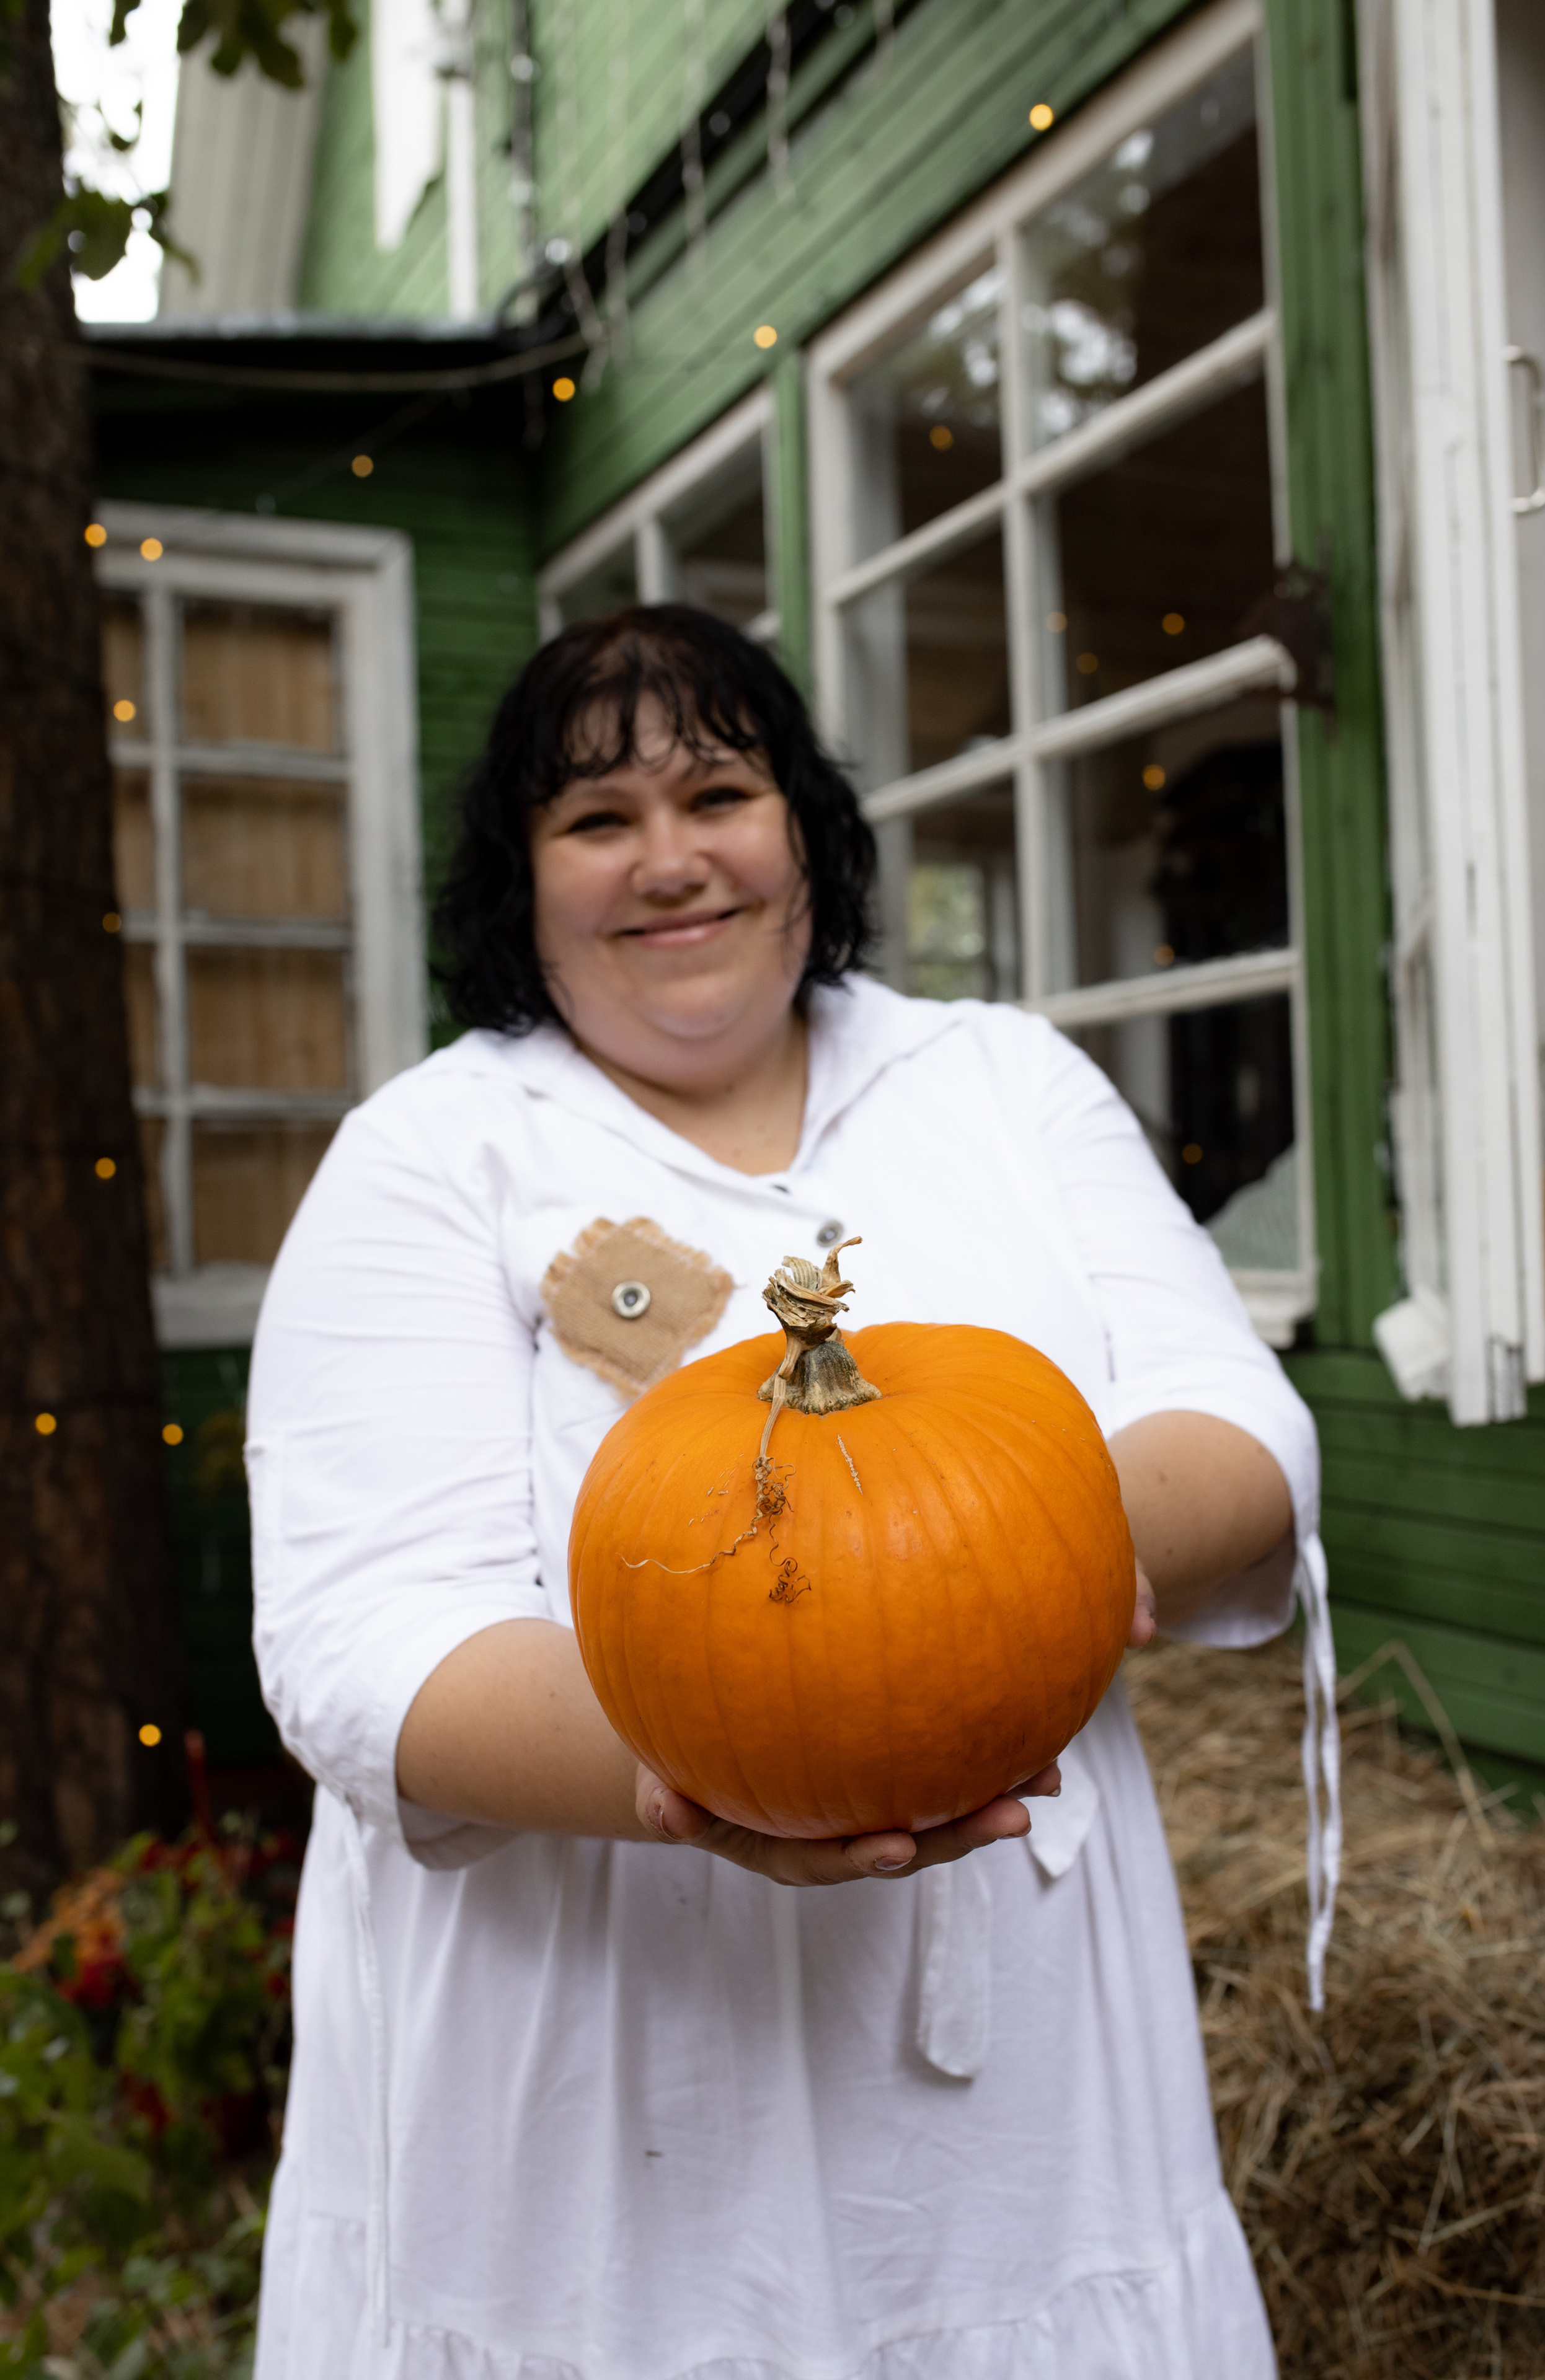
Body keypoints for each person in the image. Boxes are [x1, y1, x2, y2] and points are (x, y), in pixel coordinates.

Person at [247, 606, 1332, 2380]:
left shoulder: (998, 1084)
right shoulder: (440, 1154)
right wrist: (718, 1764)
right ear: (518, 882)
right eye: (595, 820)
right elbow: (369, 1645)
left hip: (1024, 2113)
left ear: (803, 828)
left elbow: (1240, 1429)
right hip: (592, 2107)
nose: (670, 857)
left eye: (719, 792)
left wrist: (1007, 1569)